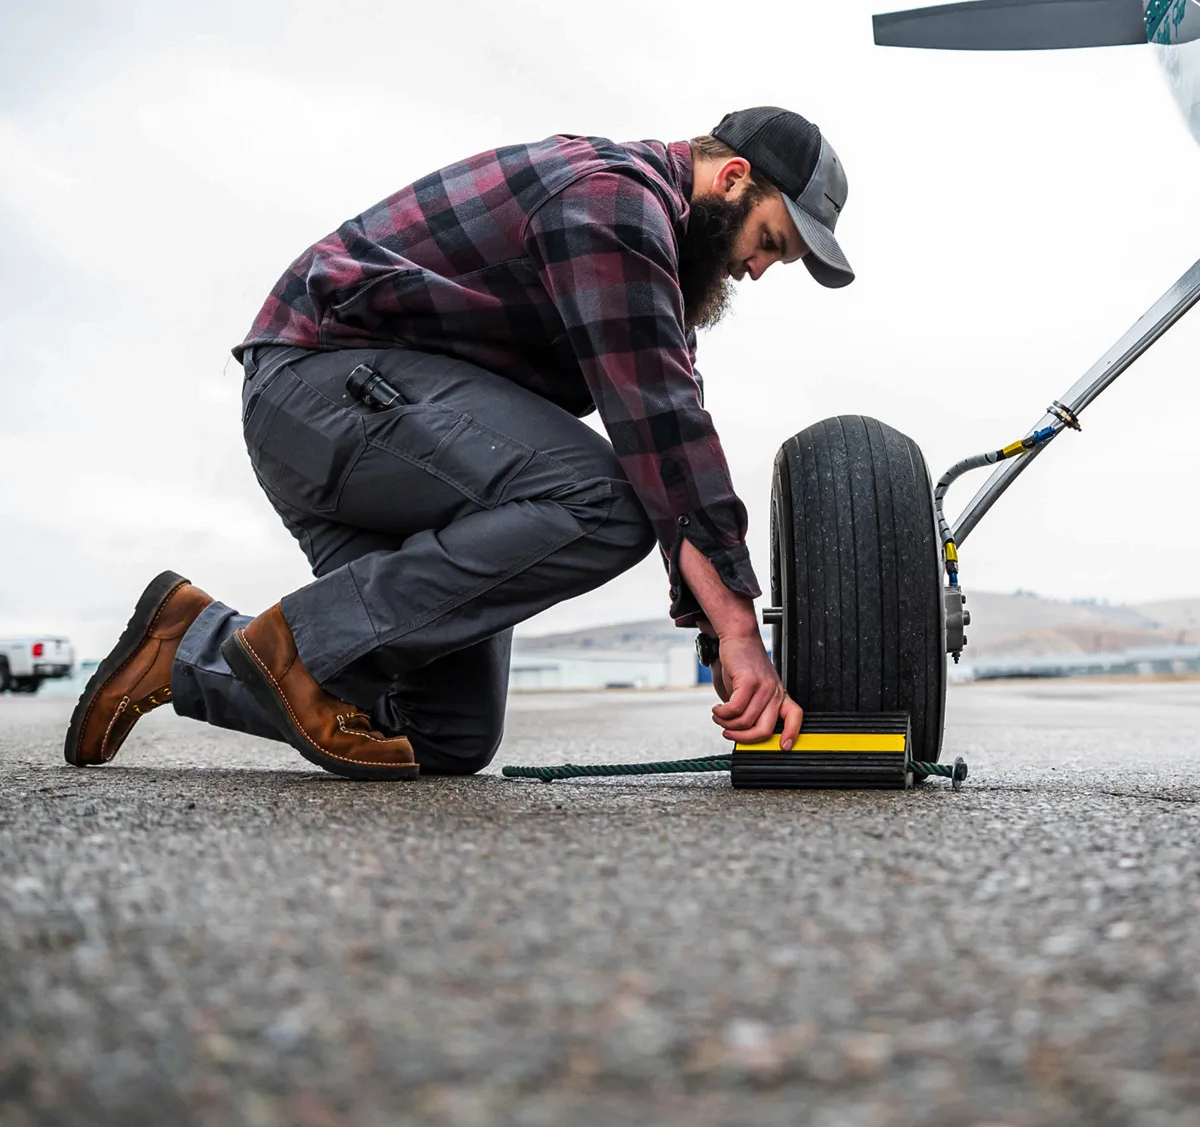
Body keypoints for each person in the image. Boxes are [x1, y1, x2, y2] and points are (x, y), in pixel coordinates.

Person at [64, 106, 854, 781]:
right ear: (734, 178)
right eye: (773, 242)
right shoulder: (612, 199)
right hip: (322, 396)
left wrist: (722, 635)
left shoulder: (650, 264)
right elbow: (662, 432)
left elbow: (674, 439)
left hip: (397, 448)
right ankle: (298, 646)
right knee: (607, 501)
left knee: (444, 737)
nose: (759, 271)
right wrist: (744, 633)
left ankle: (185, 647)